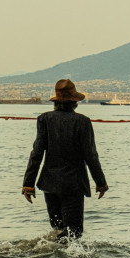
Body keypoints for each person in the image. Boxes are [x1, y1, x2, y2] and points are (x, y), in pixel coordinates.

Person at [22, 79, 109, 241]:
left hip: (49, 184)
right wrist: (101, 183)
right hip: (74, 185)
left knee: (58, 229)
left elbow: (37, 153)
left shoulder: (44, 119)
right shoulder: (82, 121)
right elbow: (91, 155)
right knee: (74, 233)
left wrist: (28, 184)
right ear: (75, 102)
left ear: (56, 101)